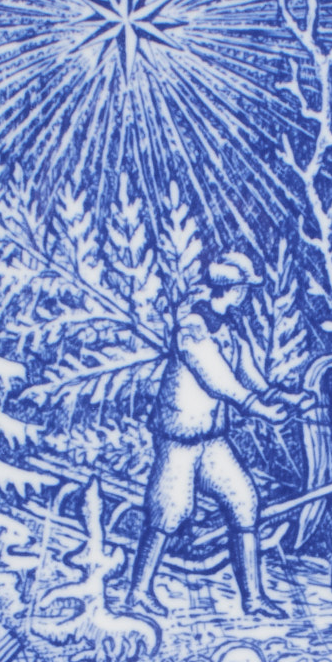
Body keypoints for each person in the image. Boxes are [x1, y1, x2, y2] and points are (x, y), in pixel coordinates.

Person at [129, 250, 292, 618]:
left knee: (244, 501)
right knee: (169, 511)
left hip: (212, 440)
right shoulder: (192, 328)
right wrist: (259, 408)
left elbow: (247, 373)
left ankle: (253, 598)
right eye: (245, 288)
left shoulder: (230, 328)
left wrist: (281, 396)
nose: (247, 295)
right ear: (234, 289)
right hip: (179, 438)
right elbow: (217, 379)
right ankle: (138, 591)